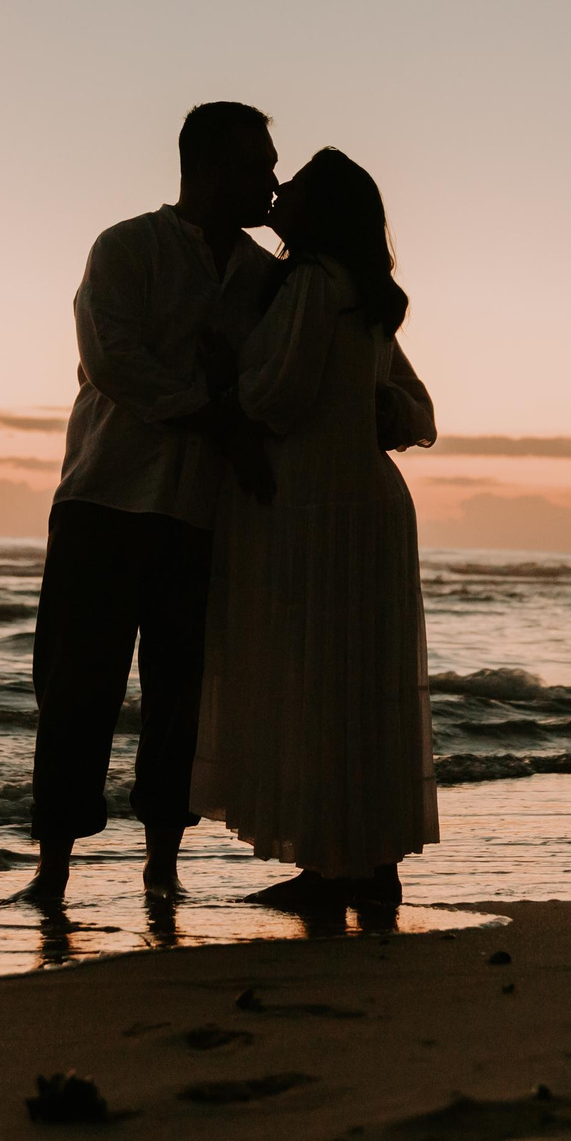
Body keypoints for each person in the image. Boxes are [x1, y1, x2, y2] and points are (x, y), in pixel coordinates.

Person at [24, 101, 278, 906]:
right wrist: (212, 409)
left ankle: (163, 867)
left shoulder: (264, 277)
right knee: (75, 690)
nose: (271, 182)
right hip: (106, 494)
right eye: (256, 166)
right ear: (205, 168)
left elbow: (267, 380)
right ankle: (53, 872)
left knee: (181, 697)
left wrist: (227, 404)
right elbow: (111, 359)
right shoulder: (127, 246)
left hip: (200, 511)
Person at [192, 147, 440, 906]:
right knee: (364, 685)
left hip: (316, 505)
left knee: (316, 681)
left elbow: (277, 392)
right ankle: (370, 865)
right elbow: (417, 410)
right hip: (367, 503)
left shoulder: (308, 282)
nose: (280, 187)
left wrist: (221, 368)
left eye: (294, 183)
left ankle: (334, 869)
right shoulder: (362, 294)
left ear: (319, 208)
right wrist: (366, 410)